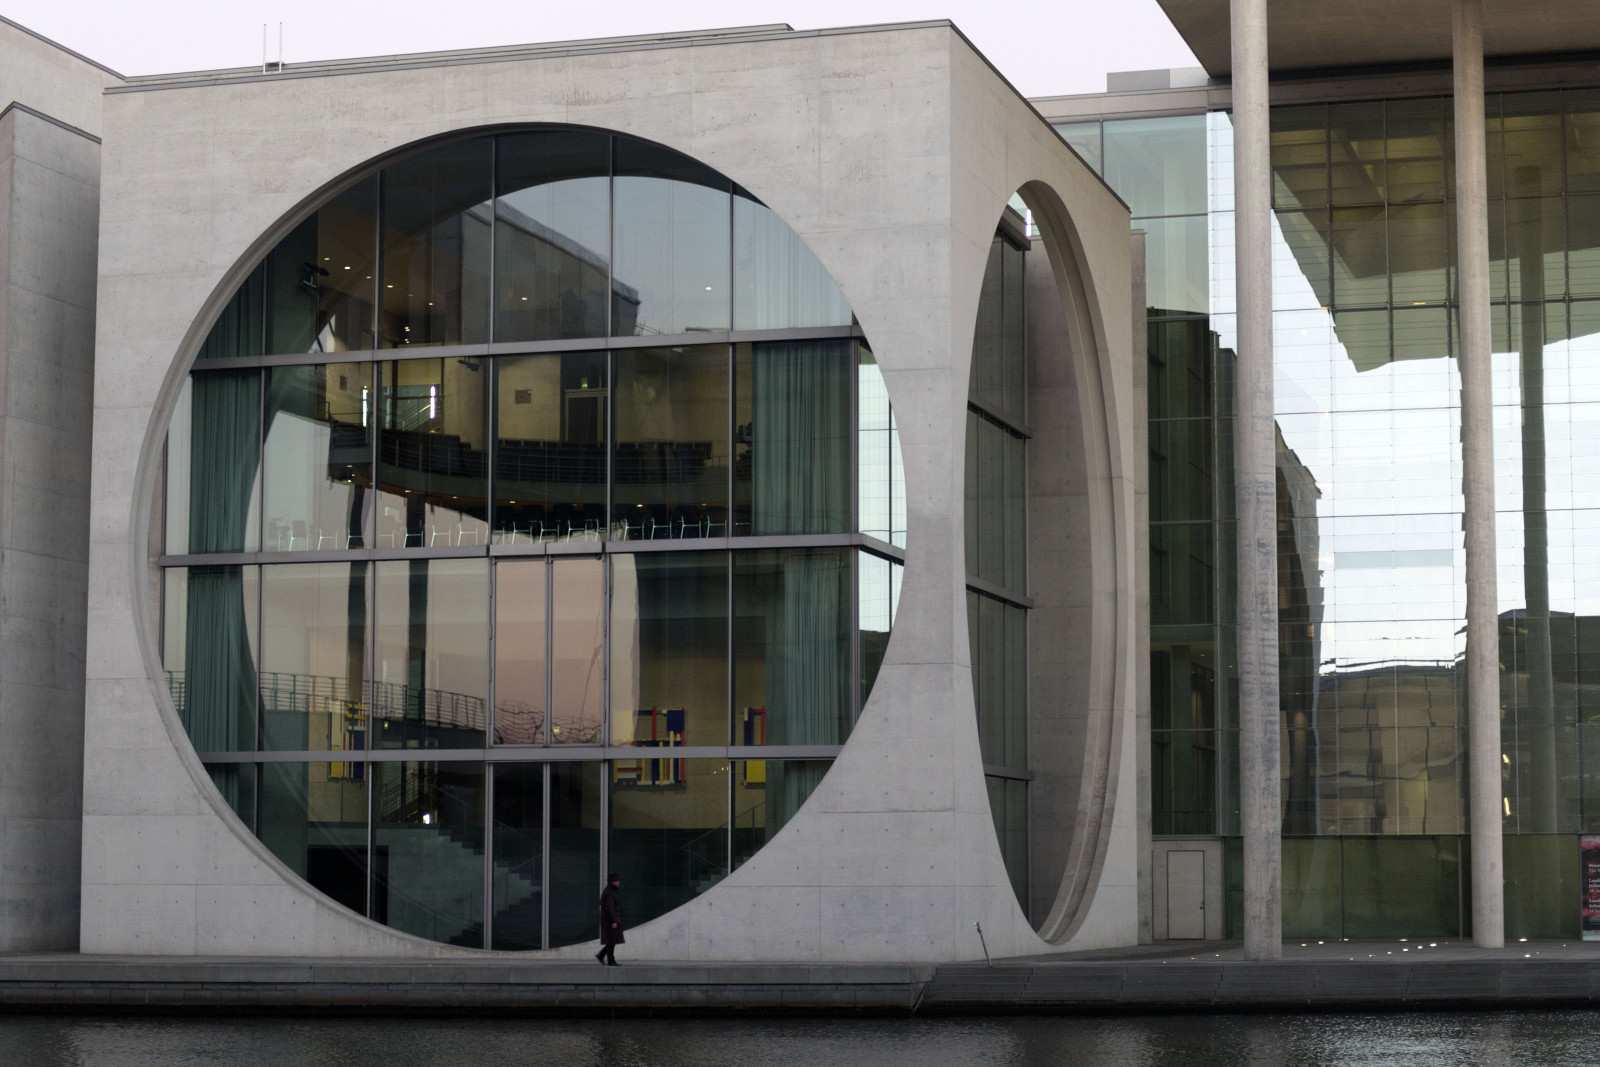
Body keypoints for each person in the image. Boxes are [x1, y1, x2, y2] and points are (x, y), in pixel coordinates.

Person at [596, 872, 623, 965]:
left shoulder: (610, 891)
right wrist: (613, 921)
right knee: (612, 940)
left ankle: (601, 955)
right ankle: (610, 960)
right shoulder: (610, 892)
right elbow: (610, 908)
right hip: (610, 921)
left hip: (609, 920)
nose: (619, 882)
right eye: (617, 881)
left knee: (611, 941)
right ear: (613, 882)